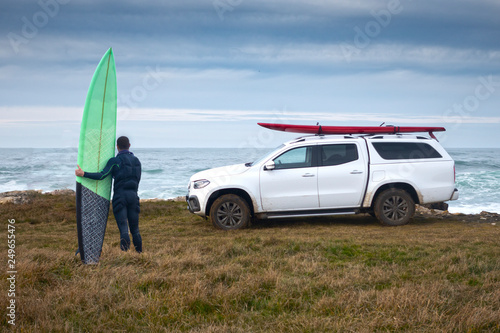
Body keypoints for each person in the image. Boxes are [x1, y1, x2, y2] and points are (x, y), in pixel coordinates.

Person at [75, 136, 142, 253]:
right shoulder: (137, 161)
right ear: (129, 145)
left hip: (120, 197)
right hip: (134, 197)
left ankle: (125, 254)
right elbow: (138, 179)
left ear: (117, 147)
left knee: (124, 229)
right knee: (135, 229)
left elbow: (101, 175)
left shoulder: (115, 161)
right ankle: (140, 255)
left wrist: (83, 173)